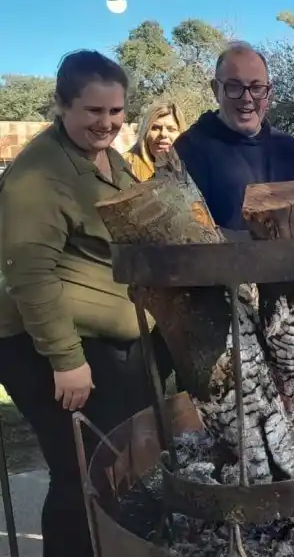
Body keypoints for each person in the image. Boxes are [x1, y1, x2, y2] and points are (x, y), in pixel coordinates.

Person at [0, 50, 171, 557]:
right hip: (50, 350)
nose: (107, 123)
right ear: (61, 105)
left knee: (116, 466)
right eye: (93, 111)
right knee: (80, 475)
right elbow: (29, 273)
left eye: (116, 111)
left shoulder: (109, 159)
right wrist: (66, 360)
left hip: (110, 346)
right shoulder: (39, 175)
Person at [175, 41, 294, 230]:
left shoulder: (288, 148)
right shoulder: (189, 149)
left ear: (269, 92)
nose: (247, 98)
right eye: (234, 86)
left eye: (257, 88)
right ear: (216, 90)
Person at [123, 100, 186, 181]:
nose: (163, 134)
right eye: (155, 128)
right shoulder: (123, 167)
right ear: (145, 133)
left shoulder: (190, 170)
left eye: (171, 129)